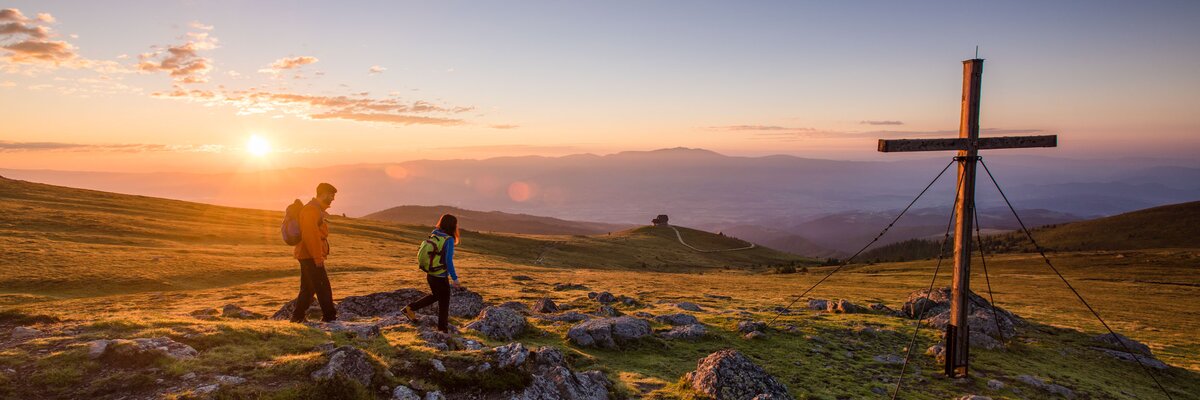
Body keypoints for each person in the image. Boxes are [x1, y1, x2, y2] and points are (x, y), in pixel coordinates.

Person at [402, 214, 462, 333]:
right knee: (444, 303)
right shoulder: (448, 240)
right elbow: (448, 261)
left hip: (430, 274)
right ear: (453, 226)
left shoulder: (434, 234)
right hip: (440, 276)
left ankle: (409, 308)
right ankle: (442, 330)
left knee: (436, 296)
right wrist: (455, 278)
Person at [290, 182, 338, 323]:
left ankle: (297, 317)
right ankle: (330, 318)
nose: (333, 199)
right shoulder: (311, 210)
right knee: (323, 286)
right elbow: (311, 236)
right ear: (322, 194)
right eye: (331, 195)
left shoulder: (316, 209)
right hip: (310, 255)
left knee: (308, 288)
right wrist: (318, 258)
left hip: (307, 255)